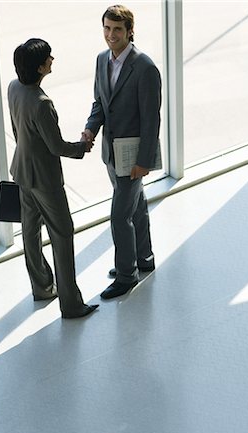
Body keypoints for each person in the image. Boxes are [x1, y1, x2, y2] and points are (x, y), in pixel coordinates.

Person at [8, 38, 98, 318]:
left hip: (22, 171)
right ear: (38, 68)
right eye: (48, 58)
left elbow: (16, 129)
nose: (52, 60)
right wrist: (82, 147)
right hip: (45, 180)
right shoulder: (41, 103)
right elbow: (56, 147)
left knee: (30, 233)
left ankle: (42, 287)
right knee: (62, 234)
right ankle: (71, 304)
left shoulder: (14, 88)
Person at [83, 5, 161, 299]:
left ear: (130, 31)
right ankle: (144, 259)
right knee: (136, 209)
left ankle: (127, 276)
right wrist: (91, 129)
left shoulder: (145, 67)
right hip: (111, 153)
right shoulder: (102, 60)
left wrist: (144, 161)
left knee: (119, 217)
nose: (110, 35)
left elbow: (152, 119)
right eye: (106, 28)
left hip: (133, 158)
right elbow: (100, 103)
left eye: (117, 29)